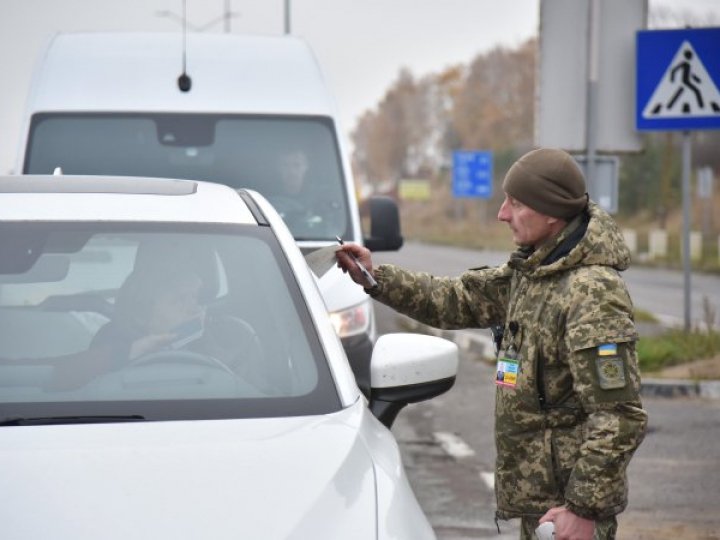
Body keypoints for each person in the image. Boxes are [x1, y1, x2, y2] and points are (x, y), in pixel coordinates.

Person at [336, 147, 648, 540]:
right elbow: (453, 299)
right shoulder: (534, 272)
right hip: (545, 508)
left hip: (569, 514)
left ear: (551, 212)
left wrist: (583, 509)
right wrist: (373, 276)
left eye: (515, 203)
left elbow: (618, 416)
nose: (502, 214)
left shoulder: (591, 291)